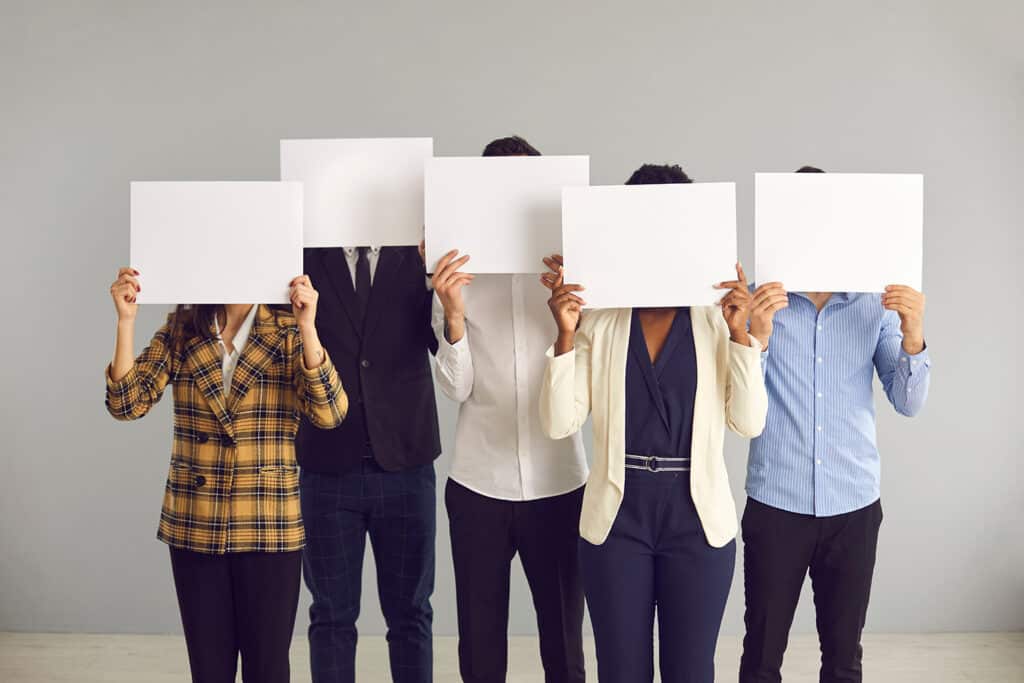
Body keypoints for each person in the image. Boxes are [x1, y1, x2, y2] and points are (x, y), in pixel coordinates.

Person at [538, 163, 780, 683]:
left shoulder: (718, 319)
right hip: (616, 517)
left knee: (690, 672)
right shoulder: (600, 320)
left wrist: (744, 336)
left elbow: (749, 422)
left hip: (697, 521)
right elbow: (560, 422)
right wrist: (563, 335)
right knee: (621, 672)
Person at [105, 268, 347, 683]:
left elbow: (330, 412)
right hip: (196, 523)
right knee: (209, 669)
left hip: (268, 524)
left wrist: (308, 326)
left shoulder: (288, 331)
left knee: (268, 669)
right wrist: (125, 322)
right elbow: (127, 403)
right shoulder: (183, 328)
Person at [738, 165, 932, 683]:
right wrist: (755, 335)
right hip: (776, 503)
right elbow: (738, 403)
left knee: (844, 661)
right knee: (759, 658)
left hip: (854, 507)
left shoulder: (876, 303)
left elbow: (908, 402)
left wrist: (914, 333)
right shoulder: (759, 302)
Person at [432, 135, 588, 683]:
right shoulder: (456, 279)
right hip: (479, 483)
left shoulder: (575, 275)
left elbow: (587, 385)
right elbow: (457, 389)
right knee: (479, 644)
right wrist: (453, 315)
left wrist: (573, 319)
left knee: (566, 644)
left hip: (560, 480)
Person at [296, 241, 441, 683]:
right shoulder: (302, 255)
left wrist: (440, 286)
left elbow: (445, 341)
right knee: (331, 615)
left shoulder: (420, 253)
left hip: (406, 462)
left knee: (411, 612)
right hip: (326, 463)